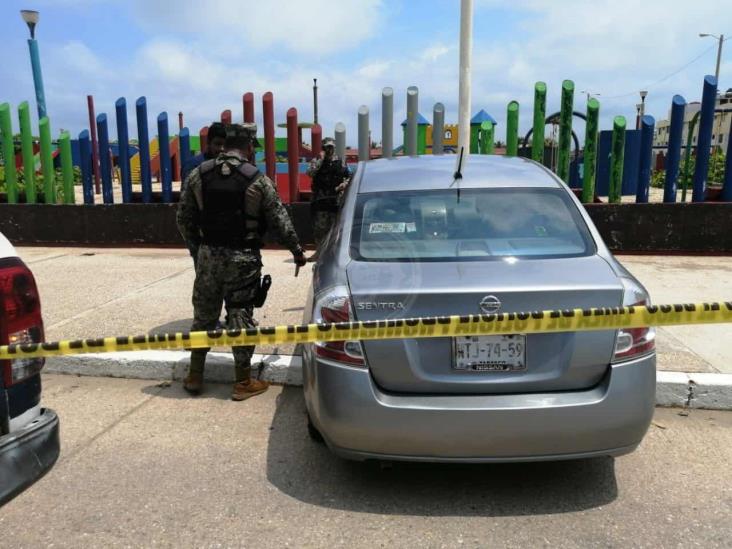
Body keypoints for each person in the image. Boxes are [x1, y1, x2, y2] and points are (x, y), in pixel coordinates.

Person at [176, 123, 306, 400]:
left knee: (203, 317)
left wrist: (198, 250)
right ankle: (242, 382)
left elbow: (183, 219)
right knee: (240, 317)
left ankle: (195, 376)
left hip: (208, 257)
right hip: (243, 260)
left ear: (225, 145)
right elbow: (279, 221)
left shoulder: (198, 175)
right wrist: (296, 251)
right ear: (249, 147)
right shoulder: (257, 179)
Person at [181, 122, 228, 269]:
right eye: (217, 144)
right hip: (203, 238)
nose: (221, 149)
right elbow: (185, 209)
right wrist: (194, 245)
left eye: (224, 145)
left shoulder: (227, 166)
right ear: (208, 143)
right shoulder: (194, 166)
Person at [306, 137, 351, 261]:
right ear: (323, 148)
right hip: (320, 200)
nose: (329, 150)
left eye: (331, 147)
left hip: (335, 200)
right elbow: (310, 173)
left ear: (334, 148)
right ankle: (319, 253)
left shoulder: (341, 161)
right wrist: (320, 160)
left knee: (336, 229)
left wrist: (343, 185)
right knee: (320, 229)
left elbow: (349, 177)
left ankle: (334, 254)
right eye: (327, 147)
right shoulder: (317, 161)